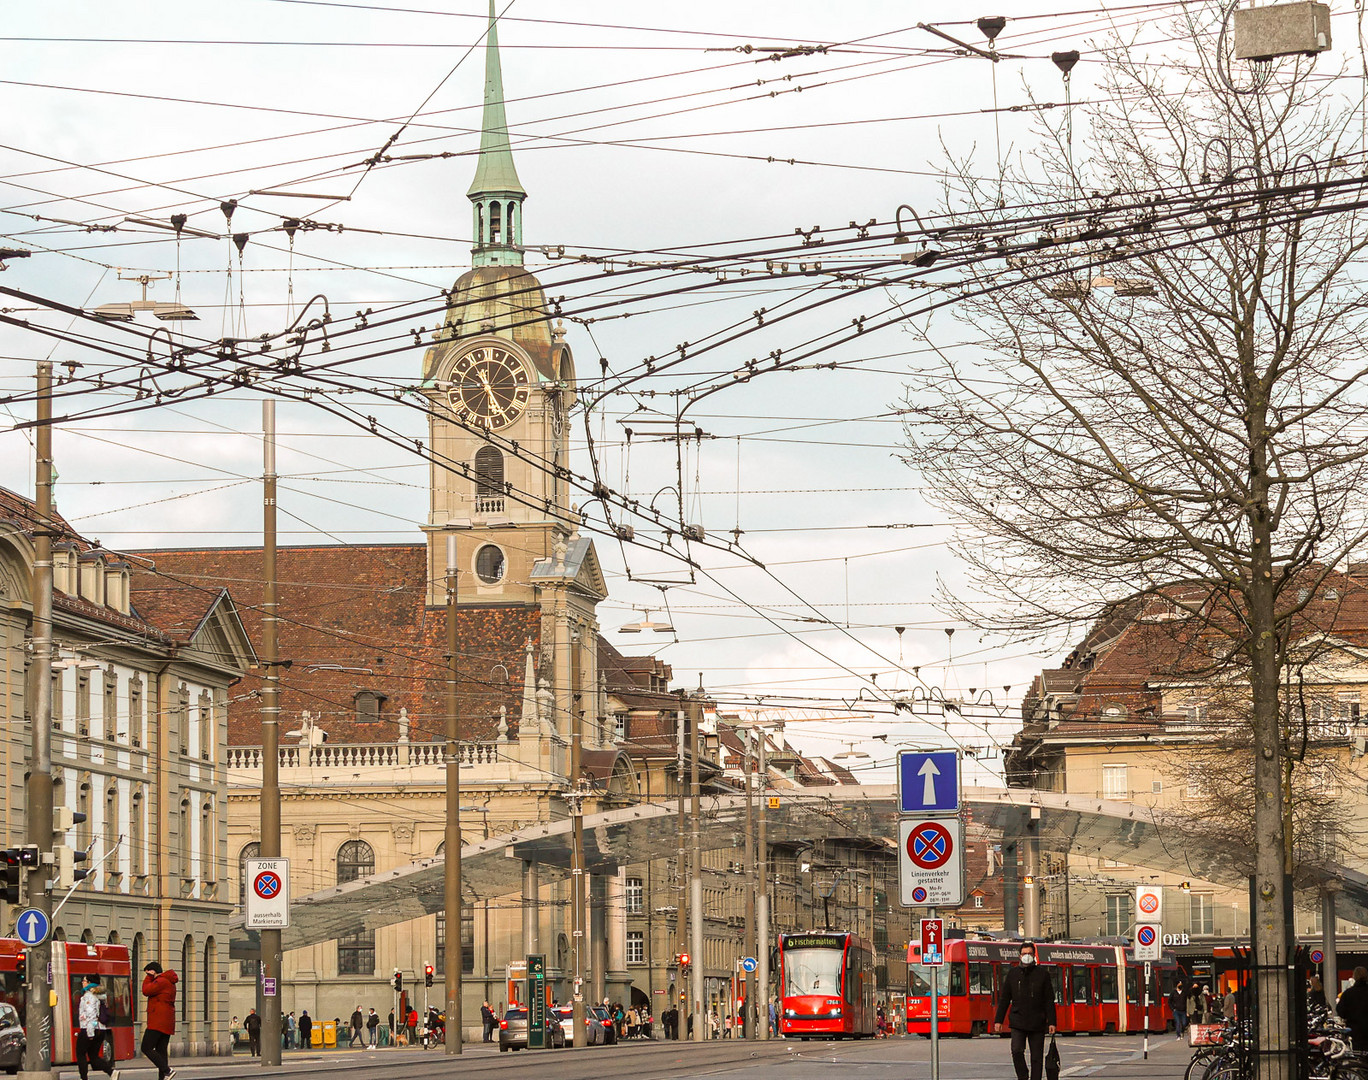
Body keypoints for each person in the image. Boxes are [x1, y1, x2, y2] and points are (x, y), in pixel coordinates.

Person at [994, 942, 1057, 1080]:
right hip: (1018, 1021)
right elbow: (1005, 999)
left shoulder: (1042, 974)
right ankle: (1023, 1076)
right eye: (1024, 954)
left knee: (1036, 1057)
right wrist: (998, 1020)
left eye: (1029, 954)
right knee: (1016, 1050)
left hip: (1037, 1021)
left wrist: (1052, 1022)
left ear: (1034, 956)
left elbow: (1049, 1000)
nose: (1027, 956)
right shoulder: (1013, 974)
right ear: (1019, 956)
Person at [140, 961, 178, 1080]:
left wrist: (149, 977)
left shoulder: (161, 981)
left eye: (148, 973)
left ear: (153, 972)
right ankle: (164, 1077)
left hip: (158, 1021)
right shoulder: (169, 982)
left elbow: (146, 990)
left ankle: (167, 1070)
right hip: (167, 1021)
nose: (148, 976)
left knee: (146, 1047)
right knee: (161, 1051)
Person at [77, 979, 116, 1080]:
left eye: (84, 980)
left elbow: (91, 1016)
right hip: (101, 1029)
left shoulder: (88, 996)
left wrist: (90, 1033)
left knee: (80, 1053)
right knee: (93, 1057)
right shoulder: (101, 996)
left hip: (89, 1028)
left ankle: (84, 1077)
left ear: (89, 983)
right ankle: (111, 1072)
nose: (82, 982)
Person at [1338, 967, 1368, 1051]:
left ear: (1354, 977)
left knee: (1358, 1055)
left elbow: (1341, 1011)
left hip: (1355, 1030)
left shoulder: (1348, 993)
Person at [1170, 975, 1189, 1039]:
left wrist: (1187, 1010)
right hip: (1176, 1011)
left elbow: (1187, 1001)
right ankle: (1178, 1035)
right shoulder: (1173, 992)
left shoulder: (1184, 992)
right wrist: (1173, 1008)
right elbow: (1170, 1001)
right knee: (1177, 1022)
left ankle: (1182, 1032)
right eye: (1179, 984)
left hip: (1183, 1010)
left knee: (1184, 1023)